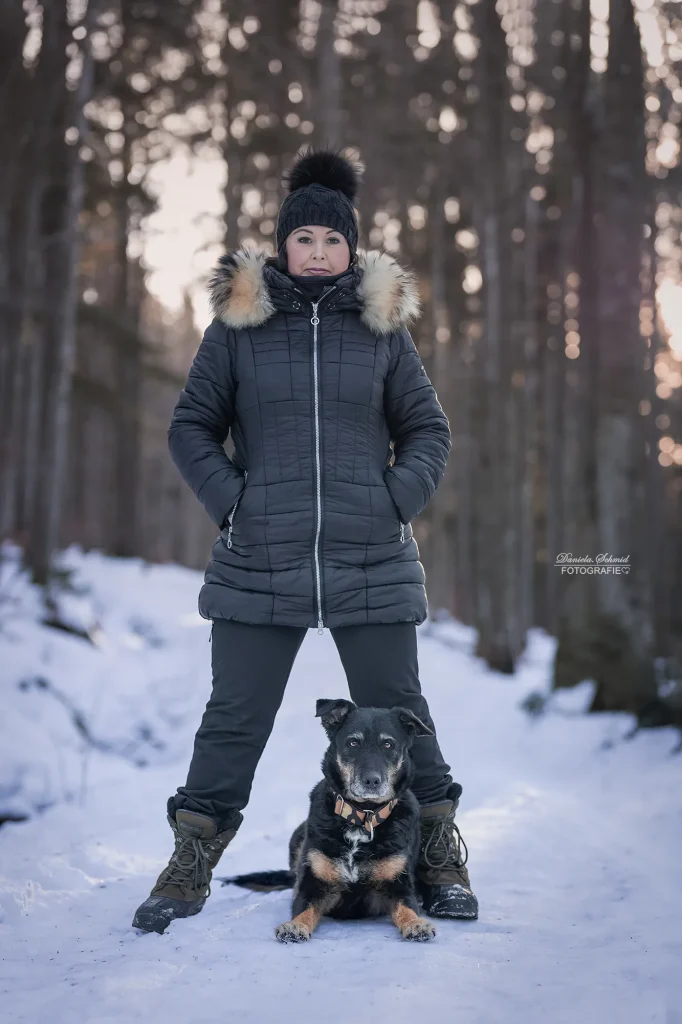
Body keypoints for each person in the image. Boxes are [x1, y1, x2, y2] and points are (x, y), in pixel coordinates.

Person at [132, 148, 478, 934]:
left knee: (404, 716)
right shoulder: (238, 329)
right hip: (260, 556)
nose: (318, 253)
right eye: (304, 240)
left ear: (351, 251)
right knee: (233, 717)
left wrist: (397, 499)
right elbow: (192, 427)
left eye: (332, 241)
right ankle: (189, 865)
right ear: (282, 248)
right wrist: (234, 504)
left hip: (371, 555)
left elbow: (426, 427)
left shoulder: (382, 330)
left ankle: (438, 852)